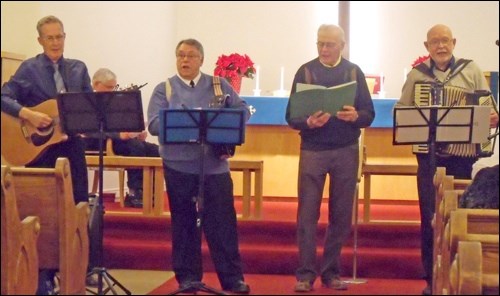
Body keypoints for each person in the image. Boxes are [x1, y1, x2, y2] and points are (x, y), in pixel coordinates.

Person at [397, 24, 499, 295]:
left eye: (445, 41)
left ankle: (460, 275)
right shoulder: (417, 75)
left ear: (454, 42)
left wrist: (491, 119)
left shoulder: (471, 70)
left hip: (462, 157)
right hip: (428, 156)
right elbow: (402, 110)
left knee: (462, 215)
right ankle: (431, 279)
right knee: (429, 217)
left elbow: (489, 109)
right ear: (426, 46)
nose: (440, 46)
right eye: (434, 42)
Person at [147, 38, 251, 294]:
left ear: (201, 60)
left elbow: (242, 112)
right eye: (181, 55)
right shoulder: (165, 89)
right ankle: (188, 278)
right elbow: (152, 124)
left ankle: (232, 279)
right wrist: (181, 123)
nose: (185, 60)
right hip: (178, 166)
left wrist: (224, 129)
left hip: (214, 168)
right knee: (183, 223)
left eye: (191, 56)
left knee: (222, 224)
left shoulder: (218, 85)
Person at [0, 15, 93, 294]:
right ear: (40, 40)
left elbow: (89, 103)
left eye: (60, 36)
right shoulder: (29, 69)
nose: (56, 42)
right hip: (40, 152)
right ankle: (43, 274)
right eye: (50, 38)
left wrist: (88, 121)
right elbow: (3, 97)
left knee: (78, 205)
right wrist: (28, 113)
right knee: (46, 212)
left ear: (65, 37)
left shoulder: (78, 69)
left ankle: (76, 270)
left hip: (72, 147)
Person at [286, 24, 375, 292]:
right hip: (313, 150)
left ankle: (331, 272)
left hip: (346, 150)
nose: (324, 49)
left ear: (342, 45)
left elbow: (369, 114)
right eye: (320, 44)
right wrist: (309, 122)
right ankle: (305, 274)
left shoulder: (353, 72)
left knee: (341, 214)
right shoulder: (306, 71)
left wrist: (355, 116)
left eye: (329, 45)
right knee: (307, 214)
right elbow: (291, 117)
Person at [83, 68, 160, 208]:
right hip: (96, 142)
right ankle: (135, 192)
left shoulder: (114, 102)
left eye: (114, 87)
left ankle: (150, 191)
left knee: (155, 150)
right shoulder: (86, 103)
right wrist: (118, 135)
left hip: (114, 140)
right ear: (95, 84)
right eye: (108, 87)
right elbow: (88, 131)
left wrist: (136, 132)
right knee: (136, 147)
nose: (112, 91)